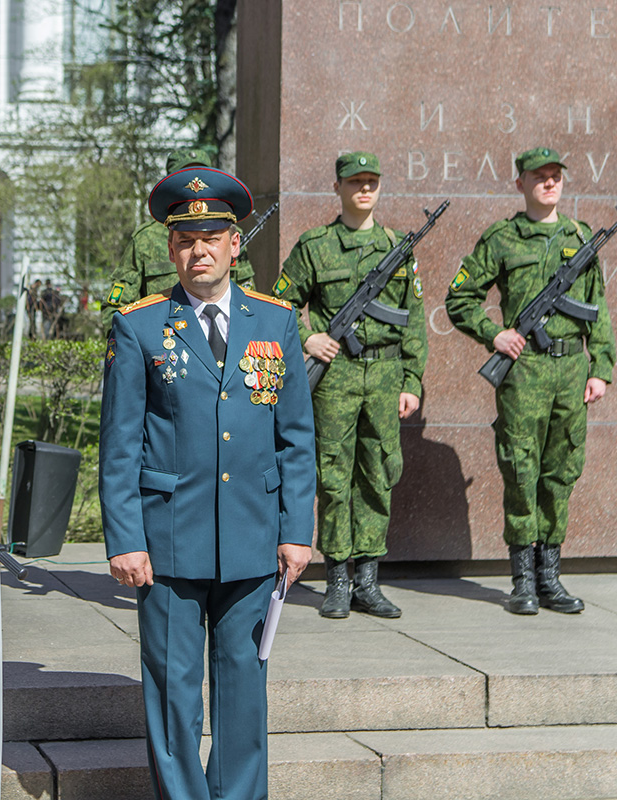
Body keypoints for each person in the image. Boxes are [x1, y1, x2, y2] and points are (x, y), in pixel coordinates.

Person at [100, 166, 316, 800]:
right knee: (172, 695)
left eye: (212, 237)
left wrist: (296, 531)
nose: (199, 251)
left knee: (244, 693)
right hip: (168, 541)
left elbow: (296, 437)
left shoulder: (275, 324)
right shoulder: (139, 327)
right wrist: (125, 538)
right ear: (171, 249)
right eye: (185, 241)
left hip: (253, 537)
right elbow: (119, 444)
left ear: (234, 244)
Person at [445, 147, 614, 615]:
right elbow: (459, 298)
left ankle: (550, 577)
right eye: (539, 176)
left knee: (561, 472)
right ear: (520, 183)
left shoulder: (580, 238)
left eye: (556, 176)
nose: (549, 183)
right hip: (524, 372)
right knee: (521, 471)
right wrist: (493, 334)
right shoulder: (501, 239)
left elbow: (596, 311)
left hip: (570, 370)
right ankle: (522, 579)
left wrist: (601, 368)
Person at [273, 152, 427, 619]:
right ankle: (337, 579)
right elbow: (279, 302)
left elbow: (414, 320)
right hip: (335, 378)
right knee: (335, 476)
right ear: (338, 188)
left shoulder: (398, 246)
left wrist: (412, 380)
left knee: (379, 473)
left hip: (384, 376)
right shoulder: (315, 246)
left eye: (372, 182)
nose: (364, 189)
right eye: (355, 182)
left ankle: (368, 580)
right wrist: (308, 337)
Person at [101, 147, 256, 334]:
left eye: (201, 175)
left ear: (234, 244)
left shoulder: (228, 234)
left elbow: (248, 301)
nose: (196, 184)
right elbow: (115, 310)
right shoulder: (145, 239)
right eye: (185, 241)